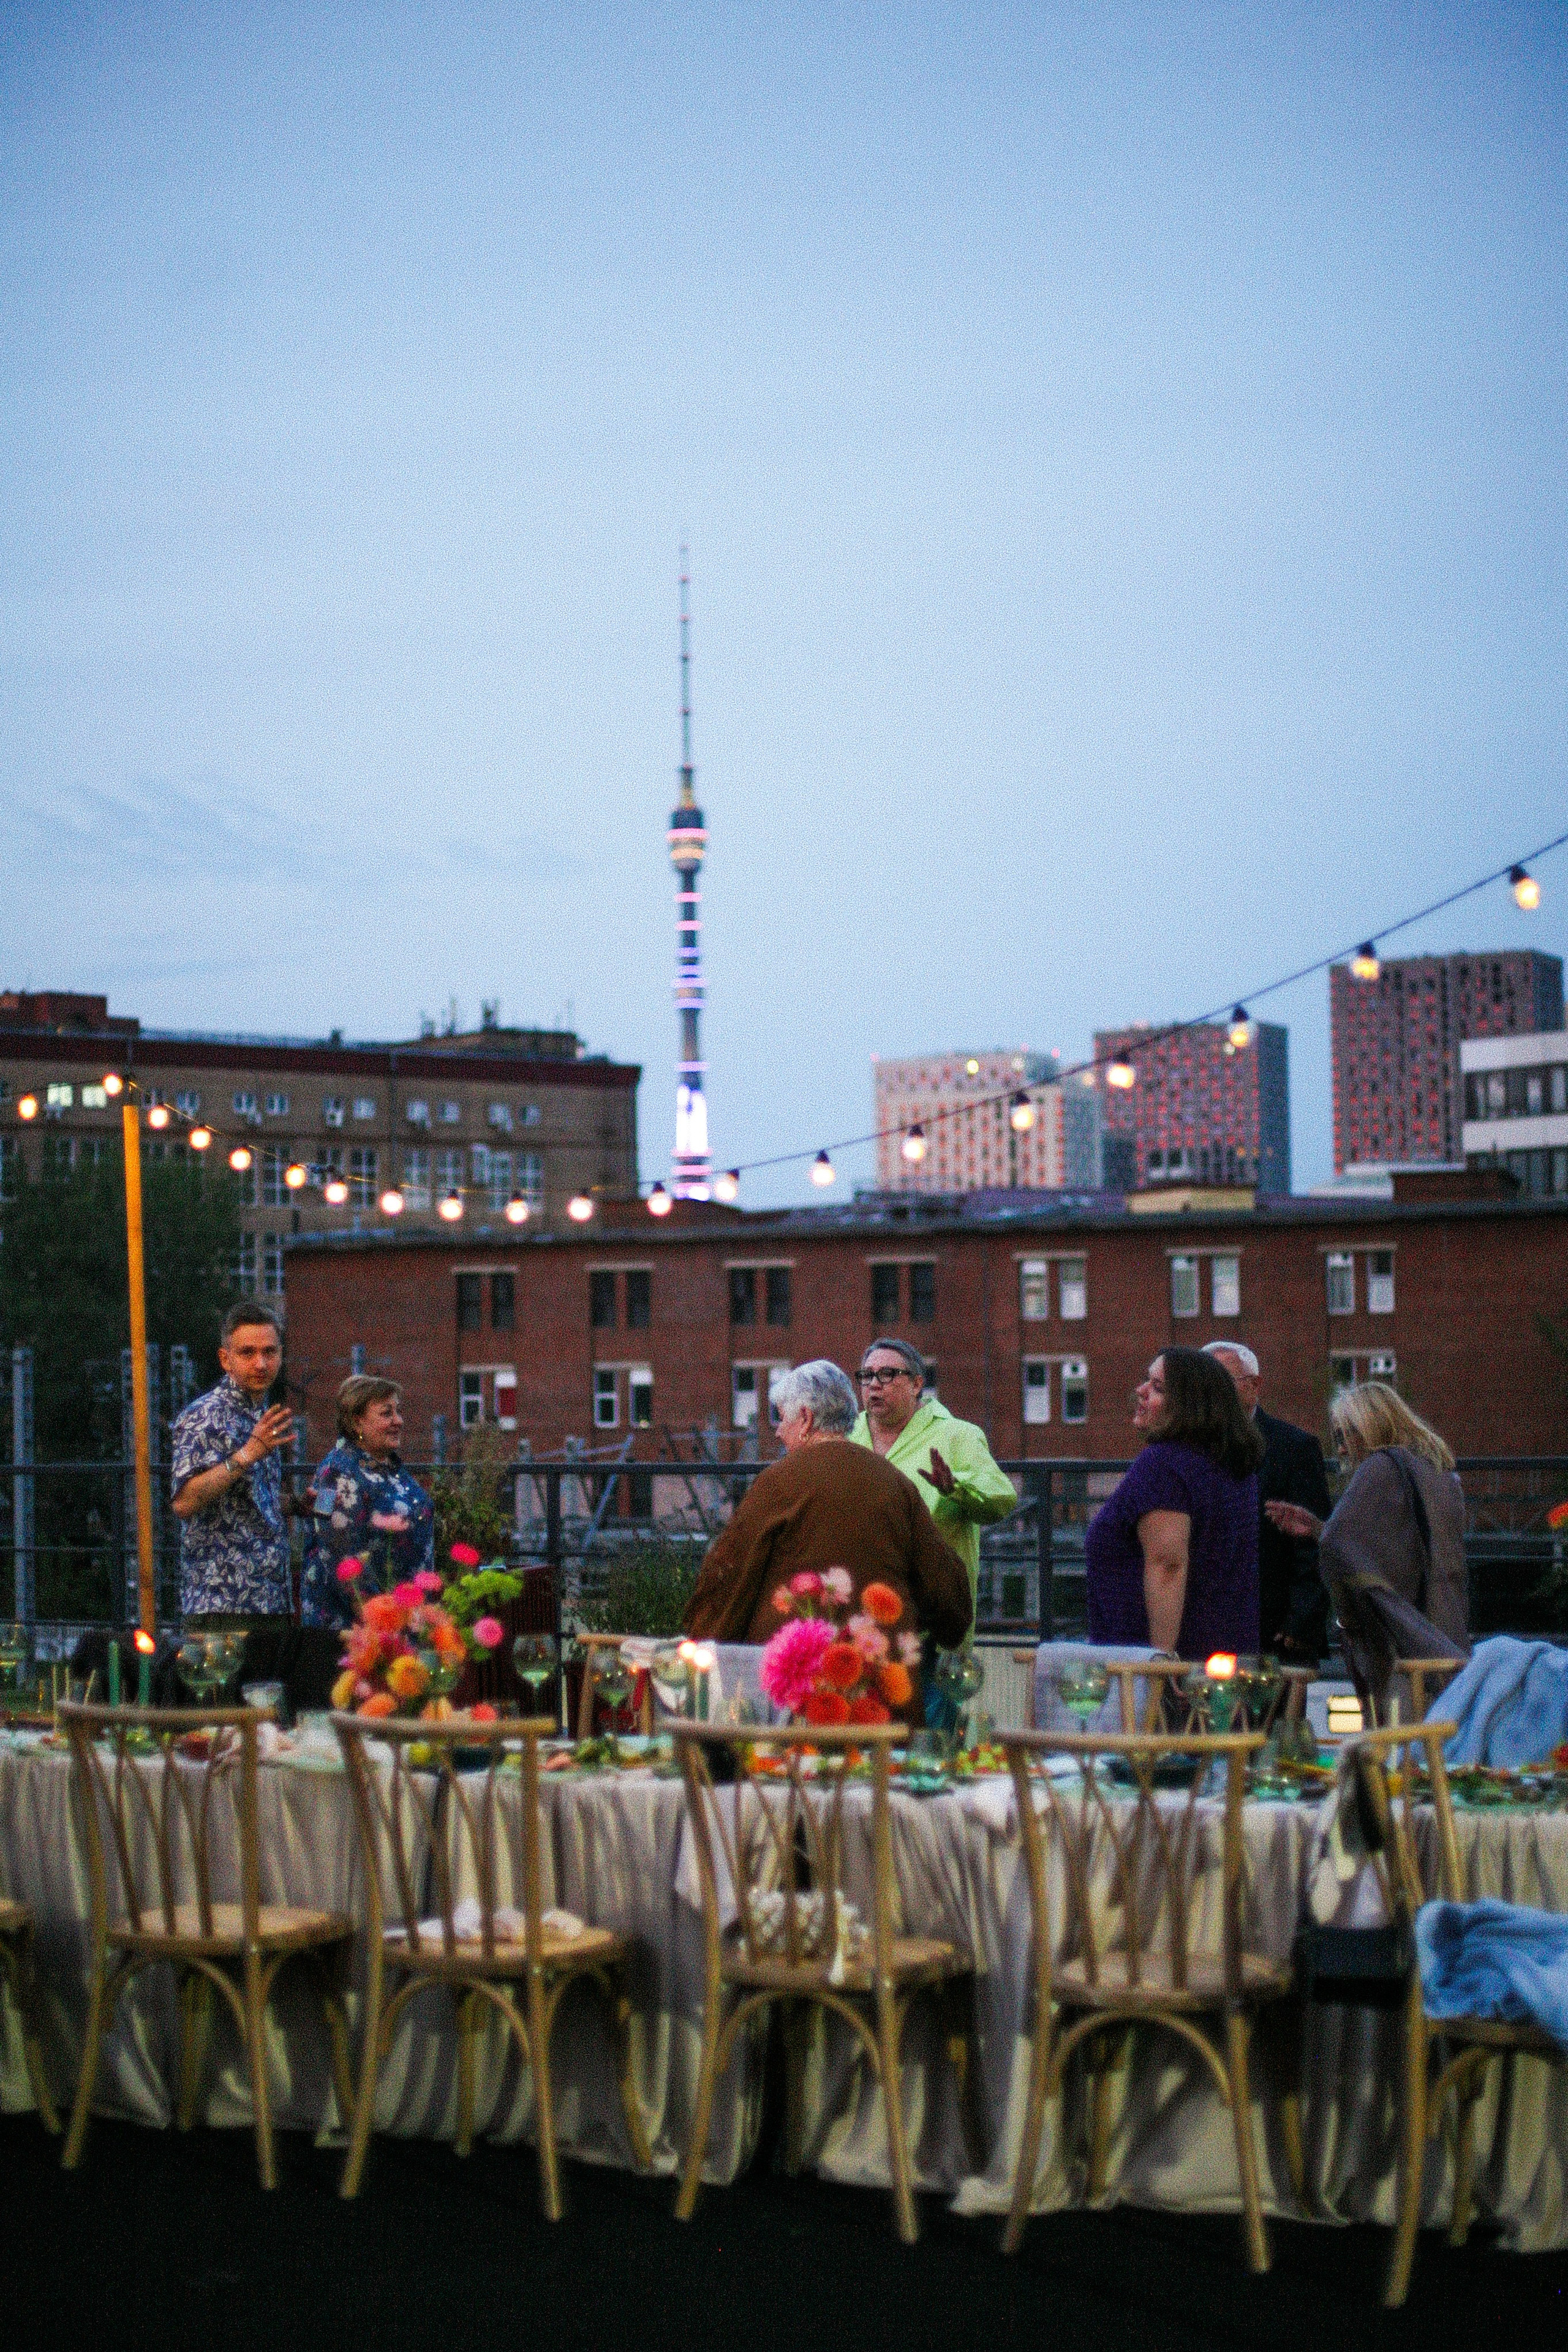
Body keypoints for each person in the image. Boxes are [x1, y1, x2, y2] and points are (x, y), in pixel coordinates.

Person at [683, 1360, 972, 1700]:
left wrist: (700, 1643)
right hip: (879, 1686)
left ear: (806, 1419)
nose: (778, 1431)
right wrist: (946, 1631)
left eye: (782, 1418)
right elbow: (947, 1592)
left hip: (795, 1688)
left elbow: (728, 1579)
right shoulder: (896, 1483)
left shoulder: (778, 1483)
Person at [1084, 1346, 1264, 1659]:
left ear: (1188, 1405)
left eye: (1157, 1387)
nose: (1140, 1391)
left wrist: (1161, 1665)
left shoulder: (1164, 1465)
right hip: (1227, 1657)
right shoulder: (1233, 1466)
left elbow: (1168, 1566)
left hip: (1152, 1667)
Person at [1265, 1380, 1468, 1650]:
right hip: (1446, 1625)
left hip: (1404, 1638)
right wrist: (1317, 1528)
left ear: (1368, 1427)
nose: (1341, 1450)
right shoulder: (1437, 1471)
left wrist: (1324, 1534)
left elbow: (1338, 1542)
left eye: (1344, 1436)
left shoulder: (1380, 1466)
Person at [848, 1338, 1017, 1621]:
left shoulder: (958, 1435)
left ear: (916, 1384)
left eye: (887, 1374)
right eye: (867, 1376)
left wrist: (957, 1488)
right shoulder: (846, 1435)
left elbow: (1002, 1500)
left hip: (932, 1610)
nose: (874, 1385)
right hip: (859, 1608)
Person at [1203, 1341, 1332, 1660]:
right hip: (1207, 1627)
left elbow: (1313, 1542)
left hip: (1274, 1631)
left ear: (1254, 1385)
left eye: (1223, 1382)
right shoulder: (1190, 1449)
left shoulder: (1294, 1448)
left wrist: (1300, 1624)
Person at [170, 1302, 295, 1628]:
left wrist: (295, 1505)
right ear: (225, 1359)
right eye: (247, 1353)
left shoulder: (260, 1413)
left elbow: (245, 1502)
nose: (261, 1363)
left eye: (270, 1352)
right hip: (223, 1603)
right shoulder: (205, 1415)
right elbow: (184, 1502)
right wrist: (246, 1455)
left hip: (270, 1599)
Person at [300, 1376, 435, 1630]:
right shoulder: (334, 1473)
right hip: (359, 1631)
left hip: (407, 1619)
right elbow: (339, 1558)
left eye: (398, 1411)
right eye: (386, 1413)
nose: (398, 1420)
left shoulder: (390, 1467)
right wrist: (385, 1624)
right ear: (357, 1422)